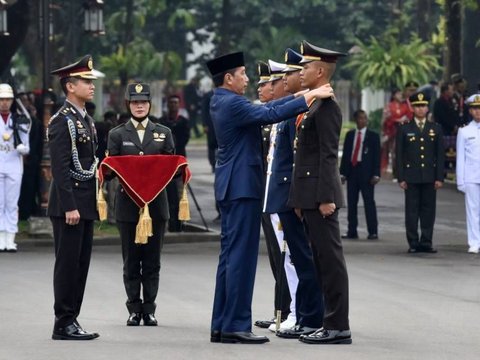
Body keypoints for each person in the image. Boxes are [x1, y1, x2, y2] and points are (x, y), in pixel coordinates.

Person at [206, 51, 334, 344]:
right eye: (243, 74)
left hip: (231, 187)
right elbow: (269, 113)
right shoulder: (232, 103)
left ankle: (222, 323)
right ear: (229, 78)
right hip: (242, 188)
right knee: (241, 258)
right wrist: (311, 95)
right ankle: (236, 324)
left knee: (228, 257)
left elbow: (271, 106)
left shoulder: (220, 100)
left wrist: (305, 94)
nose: (248, 79)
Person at [288, 40, 352, 345]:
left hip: (321, 196)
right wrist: (300, 199)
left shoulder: (327, 107)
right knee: (319, 260)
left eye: (306, 67)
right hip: (310, 195)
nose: (301, 72)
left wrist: (327, 196)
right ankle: (329, 322)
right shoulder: (313, 103)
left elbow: (328, 155)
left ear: (321, 71)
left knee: (330, 261)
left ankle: (338, 325)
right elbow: (305, 155)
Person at [265, 50, 325, 339]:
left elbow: (298, 160)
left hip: (293, 196)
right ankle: (303, 314)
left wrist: (297, 197)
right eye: (288, 74)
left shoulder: (300, 110)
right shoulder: (290, 109)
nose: (290, 78)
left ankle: (309, 315)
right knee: (296, 259)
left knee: (302, 257)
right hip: (283, 196)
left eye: (289, 74)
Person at [107, 82, 174, 327]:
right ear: (128, 104)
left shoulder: (163, 132)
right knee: (131, 260)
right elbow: (111, 169)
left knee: (153, 260)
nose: (139, 106)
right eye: (135, 102)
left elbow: (172, 168)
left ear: (149, 104)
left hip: (156, 206)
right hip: (128, 205)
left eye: (143, 102)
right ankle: (134, 308)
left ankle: (150, 309)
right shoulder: (117, 134)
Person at [47, 55, 100, 340]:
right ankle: (62, 321)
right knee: (67, 264)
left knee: (81, 263)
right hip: (69, 205)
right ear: (70, 86)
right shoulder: (61, 121)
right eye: (86, 81)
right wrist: (69, 205)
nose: (91, 86)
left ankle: (73, 319)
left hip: (85, 202)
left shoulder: (86, 120)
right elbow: (60, 167)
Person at [254, 60, 292, 331]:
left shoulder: (281, 117)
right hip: (267, 194)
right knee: (275, 256)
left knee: (285, 255)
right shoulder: (267, 118)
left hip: (281, 195)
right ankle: (280, 310)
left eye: (265, 84)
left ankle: (289, 310)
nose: (260, 89)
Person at [396, 92, 444, 253]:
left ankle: (426, 241)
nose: (421, 109)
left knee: (428, 211)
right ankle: (413, 242)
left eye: (423, 106)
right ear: (413, 108)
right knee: (412, 211)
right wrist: (401, 177)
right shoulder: (404, 129)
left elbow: (440, 155)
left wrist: (439, 177)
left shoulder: (435, 129)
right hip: (411, 177)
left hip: (430, 177)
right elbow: (399, 155)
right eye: (417, 106)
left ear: (427, 108)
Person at [340, 109, 381, 240]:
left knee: (369, 202)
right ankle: (352, 230)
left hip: (367, 173)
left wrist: (376, 173)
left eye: (364, 118)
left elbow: (377, 157)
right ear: (355, 120)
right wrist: (342, 173)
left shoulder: (373, 136)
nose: (363, 120)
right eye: (360, 118)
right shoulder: (350, 135)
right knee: (351, 203)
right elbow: (346, 156)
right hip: (352, 171)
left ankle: (373, 231)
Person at [0, 83, 30, 252]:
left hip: (13, 166)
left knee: (11, 203)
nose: (4, 103)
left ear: (12, 101)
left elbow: (26, 146)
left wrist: (23, 149)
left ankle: (10, 239)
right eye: (1, 99)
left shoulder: (20, 120)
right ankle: (0, 238)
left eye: (7, 99)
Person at [159, 94, 190, 232]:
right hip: (165, 163)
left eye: (176, 103)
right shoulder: (161, 122)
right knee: (165, 194)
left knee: (179, 193)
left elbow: (184, 140)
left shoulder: (183, 122)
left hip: (179, 161)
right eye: (171, 103)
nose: (173, 105)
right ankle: (167, 222)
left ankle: (178, 223)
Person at [456, 94, 480, 253]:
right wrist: (460, 181)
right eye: (475, 109)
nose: (478, 112)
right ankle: (474, 242)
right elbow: (460, 157)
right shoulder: (464, 131)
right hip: (472, 176)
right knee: (473, 210)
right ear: (470, 111)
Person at [380, 88, 410, 176]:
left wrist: (402, 120)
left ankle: (399, 170)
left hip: (402, 132)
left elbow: (408, 117)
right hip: (390, 132)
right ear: (393, 95)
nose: (400, 96)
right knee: (388, 151)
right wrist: (397, 120)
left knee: (400, 152)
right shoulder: (389, 106)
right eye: (398, 94)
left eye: (401, 94)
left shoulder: (405, 106)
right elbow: (385, 119)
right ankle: (388, 170)